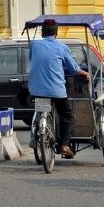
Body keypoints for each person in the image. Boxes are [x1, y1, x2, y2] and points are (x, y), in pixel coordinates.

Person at [28, 19, 90, 158]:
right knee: (66, 116)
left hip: (36, 90)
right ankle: (64, 145)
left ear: (42, 32)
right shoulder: (62, 47)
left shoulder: (34, 45)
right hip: (56, 91)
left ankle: (37, 130)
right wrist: (84, 73)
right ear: (56, 32)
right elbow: (73, 69)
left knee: (41, 110)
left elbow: (33, 60)